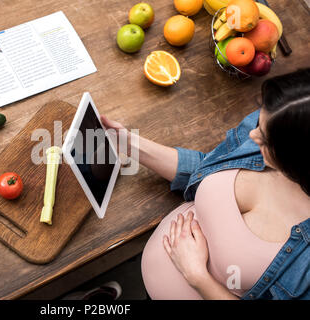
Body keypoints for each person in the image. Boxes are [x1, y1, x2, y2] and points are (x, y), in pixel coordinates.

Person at [101, 68, 310, 300]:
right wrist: (130, 144)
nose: (253, 134)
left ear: (296, 158)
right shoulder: (280, 118)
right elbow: (207, 165)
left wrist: (197, 276)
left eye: (264, 138)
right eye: (258, 121)